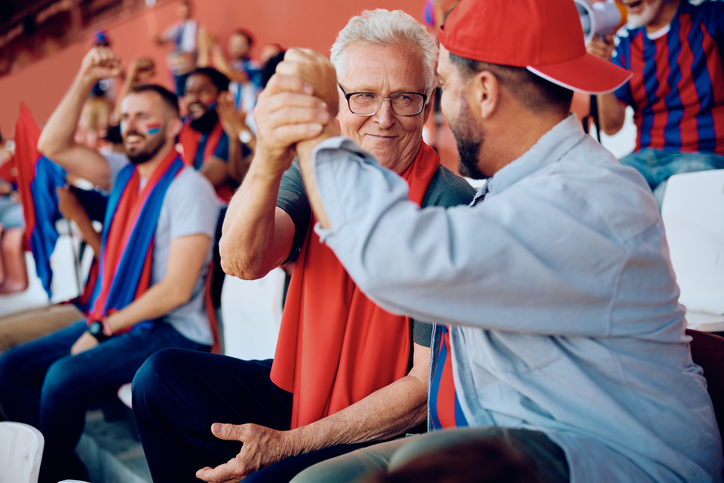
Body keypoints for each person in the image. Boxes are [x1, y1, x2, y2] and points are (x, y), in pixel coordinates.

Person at [255, 0, 724, 481]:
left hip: (615, 460)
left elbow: (396, 262)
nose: (441, 103)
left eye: (444, 86)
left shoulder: (588, 198)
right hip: (523, 437)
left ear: (483, 92)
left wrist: (314, 130)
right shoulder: (527, 186)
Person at [131, 9, 475, 483]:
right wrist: (272, 150)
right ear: (337, 100)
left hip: (383, 425)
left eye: (405, 98)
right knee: (160, 381)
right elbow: (241, 261)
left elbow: (422, 389)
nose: (384, 118)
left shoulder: (451, 201)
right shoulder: (314, 172)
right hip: (307, 381)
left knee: (268, 475)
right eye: (363, 96)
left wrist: (289, 444)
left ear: (429, 100)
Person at [0, 46, 219, 483]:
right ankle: (60, 469)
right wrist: (85, 77)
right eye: (127, 115)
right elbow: (51, 145)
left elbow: (176, 290)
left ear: (174, 126)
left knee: (61, 377)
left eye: (145, 116)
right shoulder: (121, 172)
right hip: (119, 315)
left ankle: (47, 474)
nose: (131, 125)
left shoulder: (189, 188)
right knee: (10, 369)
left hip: (171, 328)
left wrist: (101, 330)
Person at [587, 0, 724, 208]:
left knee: (669, 207)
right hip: (643, 158)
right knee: (594, 197)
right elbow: (611, 126)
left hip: (701, 154)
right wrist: (600, 68)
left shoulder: (711, 18)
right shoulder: (625, 44)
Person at [180, 66, 255, 203]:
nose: (194, 98)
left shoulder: (231, 128)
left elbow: (204, 181)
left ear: (222, 96)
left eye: (203, 91)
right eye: (189, 92)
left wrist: (235, 137)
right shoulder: (187, 127)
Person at [153, 0, 201, 95]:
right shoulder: (176, 27)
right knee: (180, 90)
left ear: (191, 10)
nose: (185, 12)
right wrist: (155, 38)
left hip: (192, 63)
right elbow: (162, 41)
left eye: (187, 10)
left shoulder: (196, 26)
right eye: (182, 10)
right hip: (179, 65)